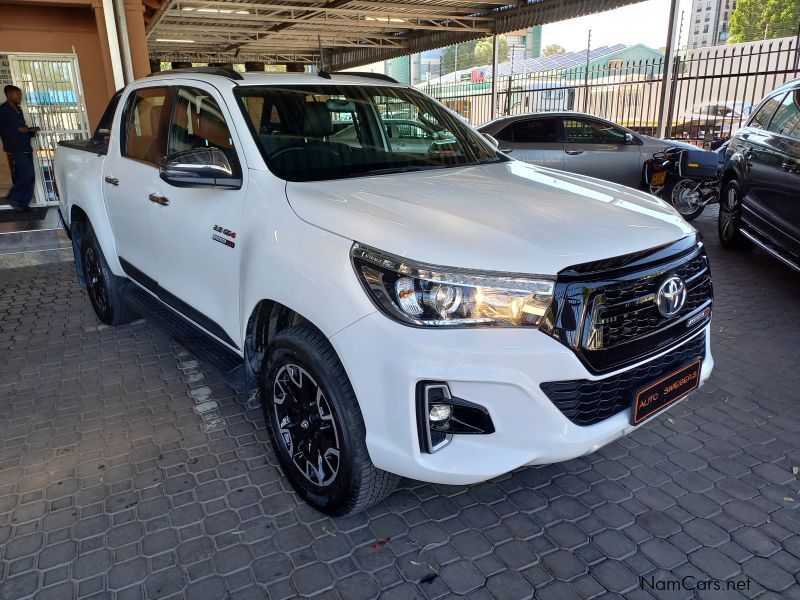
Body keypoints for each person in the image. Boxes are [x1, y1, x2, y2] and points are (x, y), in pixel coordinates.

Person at [0, 85, 39, 211]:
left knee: (29, 176)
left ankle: (23, 204)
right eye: (17, 94)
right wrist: (17, 130)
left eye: (20, 94)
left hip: (25, 145)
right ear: (10, 95)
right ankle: (13, 196)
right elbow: (4, 130)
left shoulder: (18, 109)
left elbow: (21, 127)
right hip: (16, 147)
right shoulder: (3, 110)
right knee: (28, 174)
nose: (20, 96)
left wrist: (30, 130)